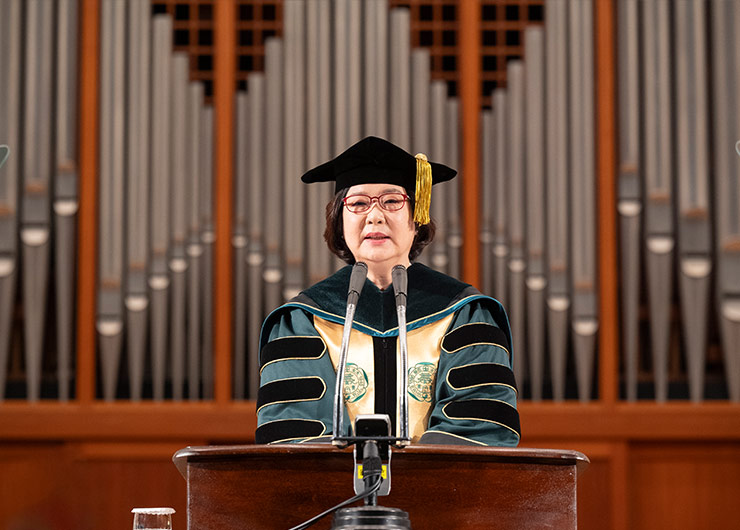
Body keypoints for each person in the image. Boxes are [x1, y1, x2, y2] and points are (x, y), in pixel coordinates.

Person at [256, 136, 519, 446]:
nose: (375, 215)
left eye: (392, 200)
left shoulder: (466, 314)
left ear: (417, 217)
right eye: (358, 203)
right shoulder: (301, 321)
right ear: (339, 220)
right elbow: (291, 434)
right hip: (335, 494)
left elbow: (481, 428)